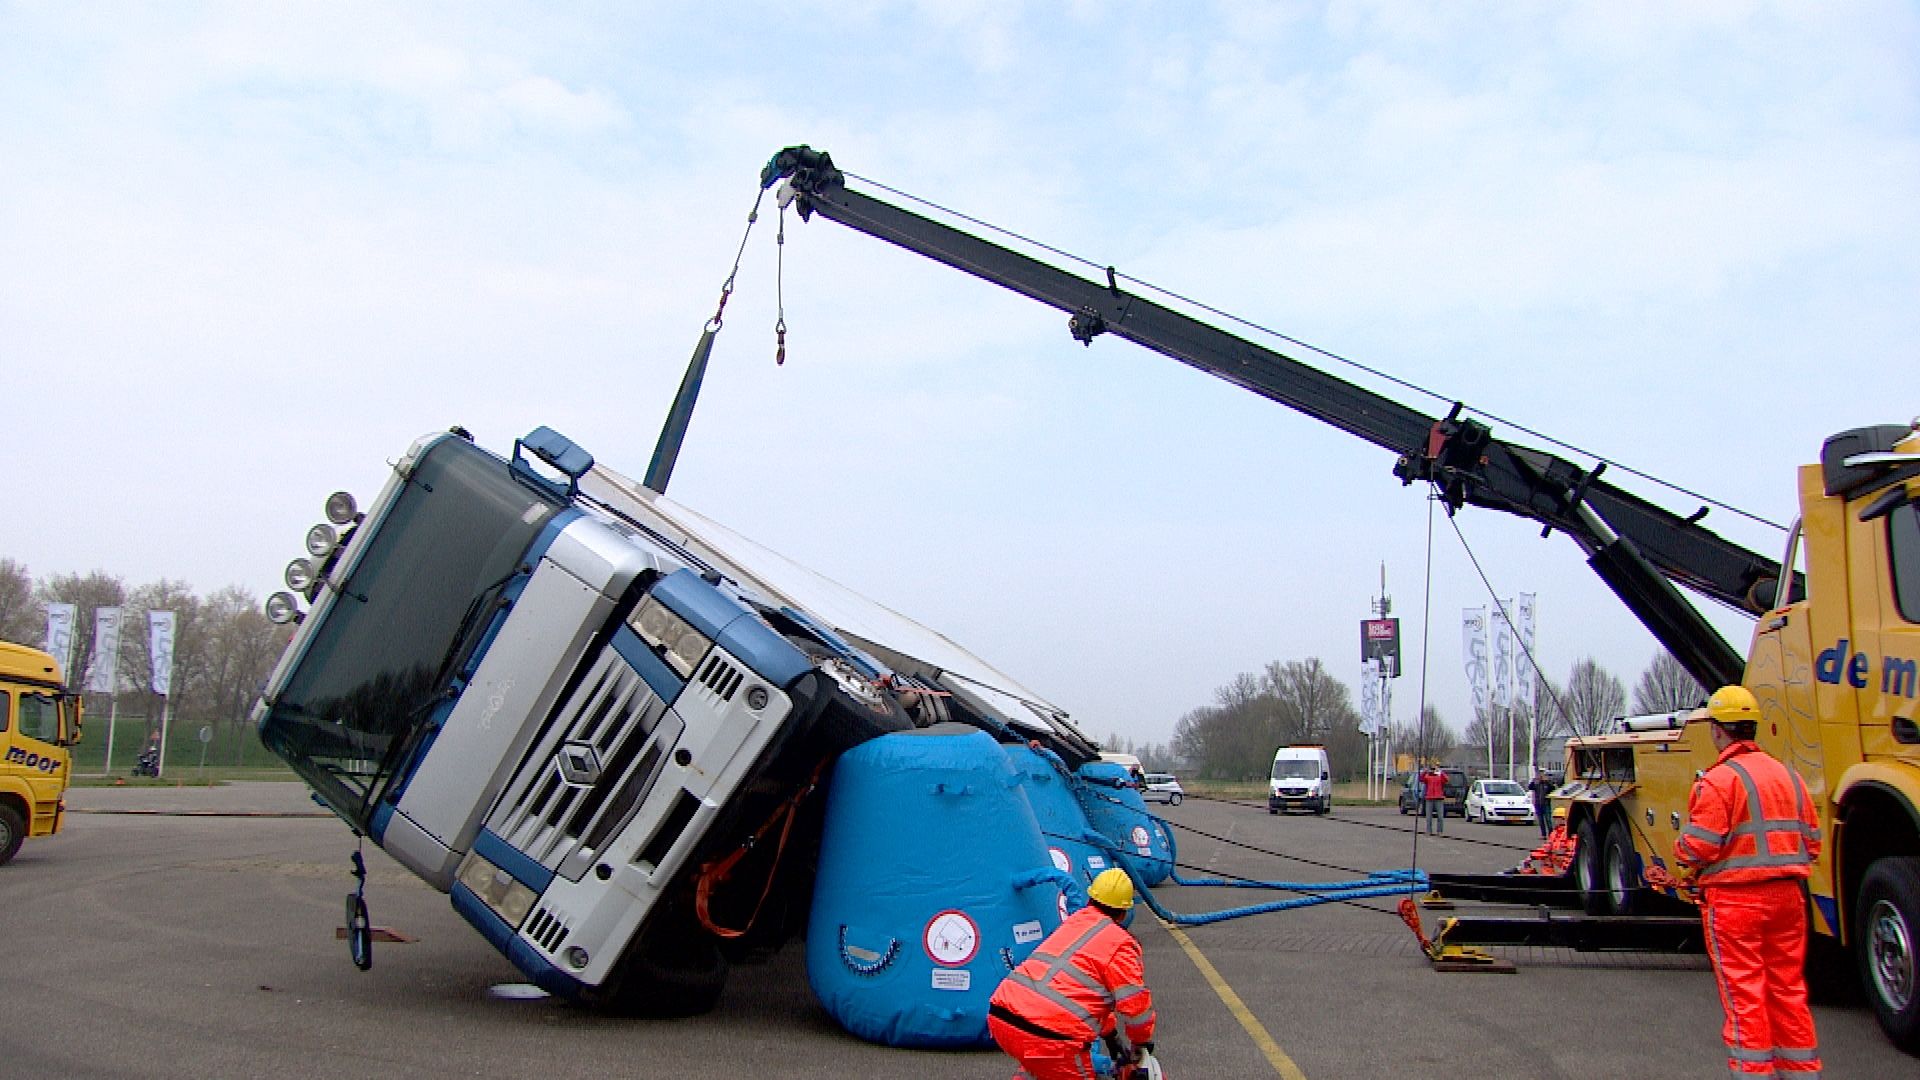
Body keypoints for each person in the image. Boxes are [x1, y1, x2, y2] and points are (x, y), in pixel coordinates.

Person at [1672, 685, 1821, 1079]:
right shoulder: (1789, 777)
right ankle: (1802, 1072)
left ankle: (1752, 1074)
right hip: (1788, 898)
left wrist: (1679, 850)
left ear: (1719, 730)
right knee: (1788, 990)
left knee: (1746, 997)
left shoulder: (1719, 781)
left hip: (1736, 904)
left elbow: (1698, 848)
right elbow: (1813, 843)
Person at [989, 868, 1157, 1080]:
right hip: (1052, 1034)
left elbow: (1073, 991)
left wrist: (1110, 1033)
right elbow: (1135, 1007)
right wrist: (1140, 1044)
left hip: (1003, 1016)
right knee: (1059, 1064)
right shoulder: (1121, 944)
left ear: (1090, 900)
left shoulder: (1073, 924)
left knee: (1040, 1070)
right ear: (1124, 913)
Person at [1526, 767, 1555, 839]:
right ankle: (1543, 834)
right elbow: (1530, 787)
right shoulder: (1536, 783)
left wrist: (1547, 782)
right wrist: (1534, 780)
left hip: (1546, 803)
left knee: (1548, 820)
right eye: (1540, 773)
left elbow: (1553, 789)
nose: (1541, 775)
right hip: (1538, 804)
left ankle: (1551, 834)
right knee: (1541, 820)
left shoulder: (1548, 782)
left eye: (1542, 773)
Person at [1420, 765, 1447, 835]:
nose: (1433, 770)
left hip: (1439, 797)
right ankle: (1429, 830)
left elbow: (1446, 779)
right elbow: (1421, 779)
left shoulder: (1439, 776)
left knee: (1440, 816)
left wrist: (1440, 772)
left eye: (1434, 769)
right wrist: (1425, 771)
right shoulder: (1428, 776)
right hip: (1429, 798)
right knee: (1428, 816)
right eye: (1432, 769)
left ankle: (1440, 831)